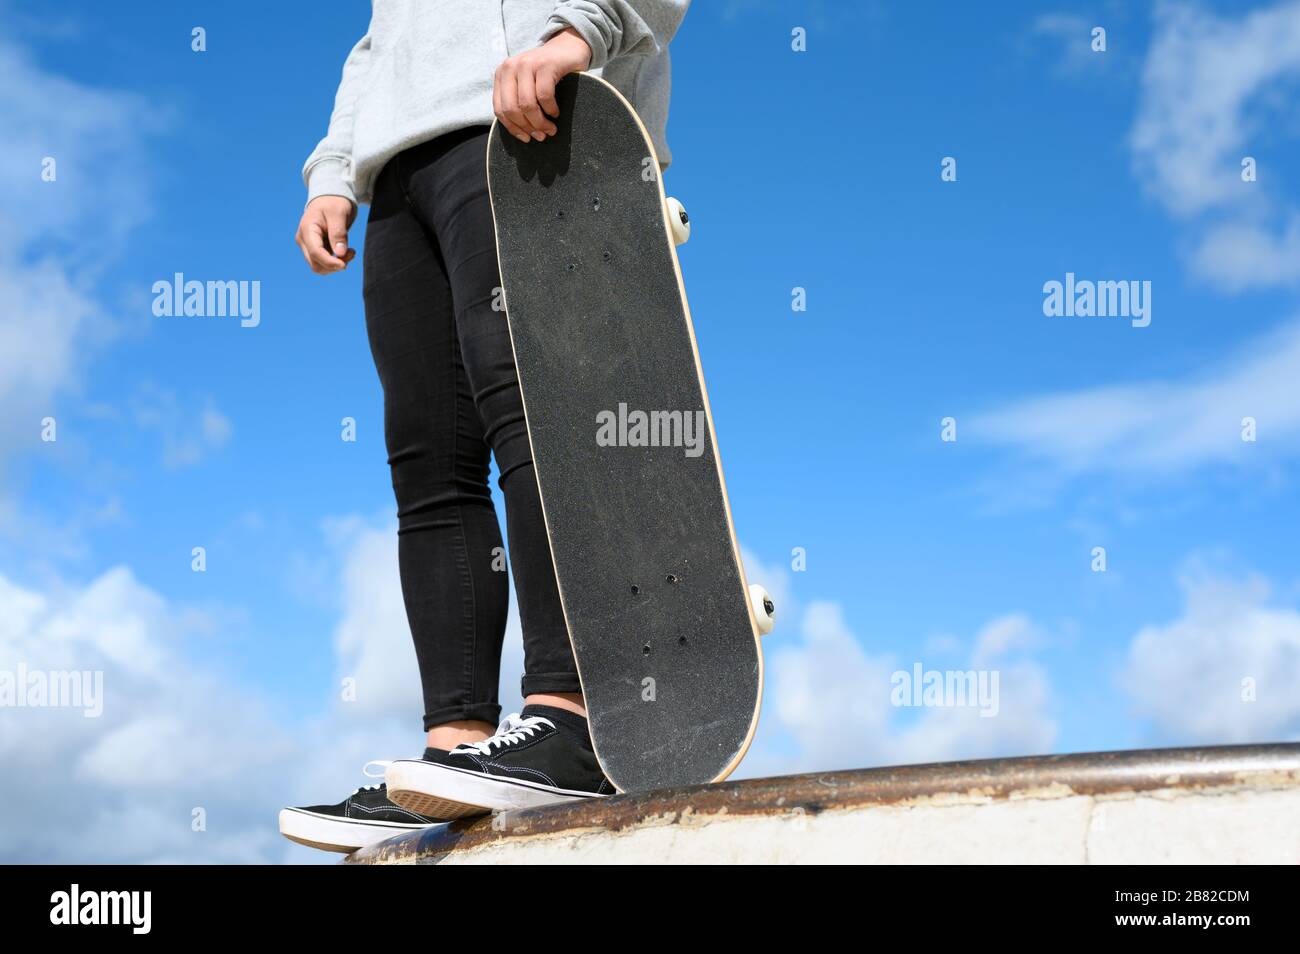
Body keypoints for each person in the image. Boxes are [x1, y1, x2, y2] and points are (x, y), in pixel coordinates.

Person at [278, 0, 690, 853]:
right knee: (428, 468)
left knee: (534, 417)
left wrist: (585, 32)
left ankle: (569, 717)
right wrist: (334, 171)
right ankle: (454, 752)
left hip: (524, 124)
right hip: (397, 171)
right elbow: (378, 41)